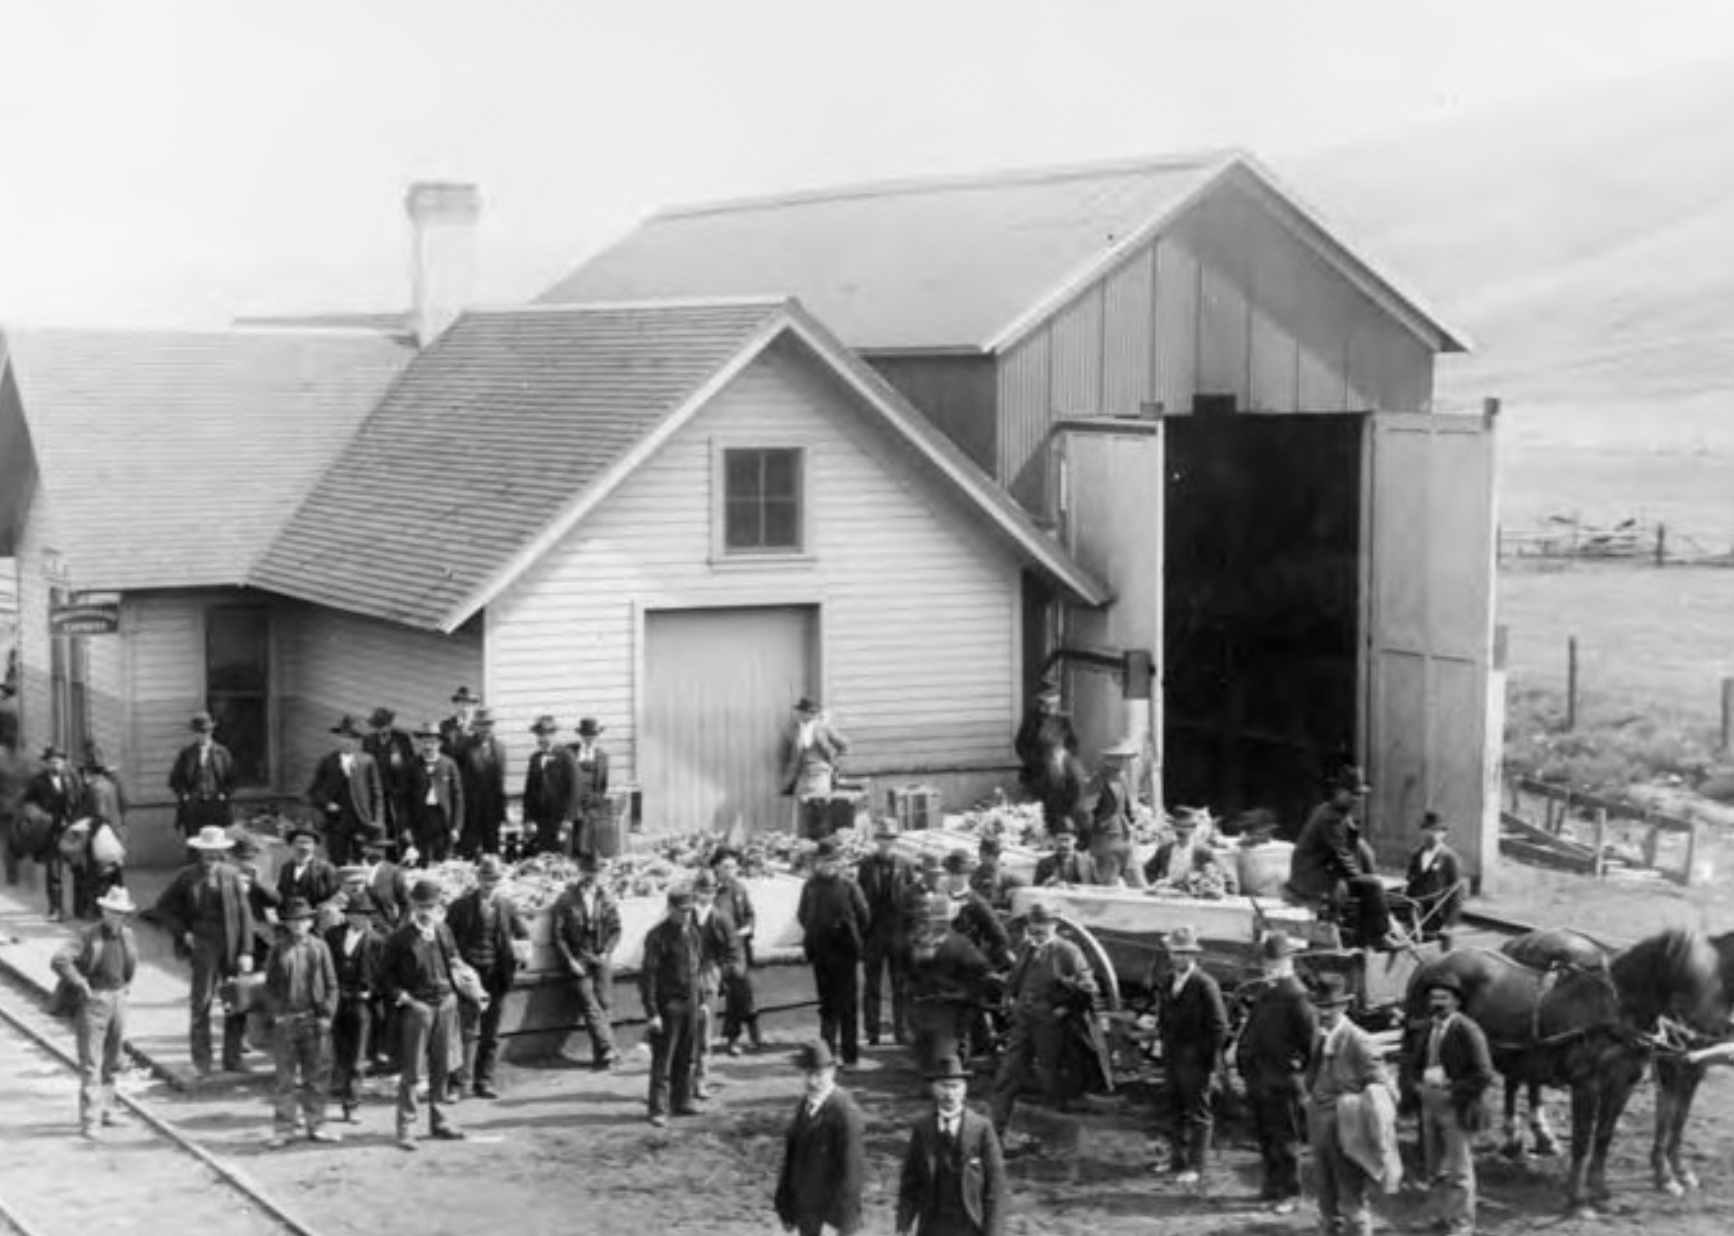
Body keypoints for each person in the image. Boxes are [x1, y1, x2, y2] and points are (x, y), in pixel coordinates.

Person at [154, 825, 254, 1076]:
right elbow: (162, 908)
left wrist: (246, 951)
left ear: (222, 852)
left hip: (230, 942)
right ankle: (202, 1061)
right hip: (202, 942)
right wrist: (183, 932)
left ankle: (233, 1058)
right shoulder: (186, 876)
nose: (210, 856)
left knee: (235, 999)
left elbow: (245, 915)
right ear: (199, 852)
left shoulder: (232, 875)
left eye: (215, 851)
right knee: (201, 1002)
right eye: (206, 851)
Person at [989, 902, 1096, 1135]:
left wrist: (1064, 1010)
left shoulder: (1068, 951)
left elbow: (1088, 988)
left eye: (1042, 927)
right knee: (1007, 1075)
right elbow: (1015, 977)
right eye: (1033, 927)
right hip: (1023, 1023)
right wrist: (1009, 997)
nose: (1036, 932)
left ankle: (1052, 1133)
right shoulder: (1026, 947)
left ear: (1054, 925)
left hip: (1050, 1027)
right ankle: (995, 1133)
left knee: (1050, 1077)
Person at [380, 877, 466, 1149]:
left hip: (445, 1004)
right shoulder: (399, 938)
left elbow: (454, 959)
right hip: (418, 1008)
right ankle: (406, 1126)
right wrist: (402, 996)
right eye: (421, 905)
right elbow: (384, 975)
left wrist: (458, 988)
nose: (426, 911)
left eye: (430, 905)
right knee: (413, 1071)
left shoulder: (444, 931)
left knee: (442, 1067)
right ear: (413, 905)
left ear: (438, 905)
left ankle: (440, 1120)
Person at [1234, 931, 1317, 1214]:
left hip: (1283, 1080)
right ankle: (1271, 1188)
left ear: (1289, 962)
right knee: (1266, 1137)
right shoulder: (1267, 992)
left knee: (1286, 1140)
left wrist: (1295, 1070)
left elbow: (1310, 1044)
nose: (1270, 967)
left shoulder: (1296, 997)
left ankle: (1290, 1194)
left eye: (1276, 962)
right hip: (1260, 1079)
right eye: (1267, 962)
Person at [51, 885, 140, 1140]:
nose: (116, 916)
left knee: (112, 1060)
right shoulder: (87, 935)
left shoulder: (128, 935)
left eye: (121, 912)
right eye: (112, 911)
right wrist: (80, 983)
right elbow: (59, 959)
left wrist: (125, 991)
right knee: (91, 1063)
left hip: (118, 999)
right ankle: (90, 1119)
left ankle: (108, 1110)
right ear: (103, 910)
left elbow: (130, 965)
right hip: (94, 1002)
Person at [1307, 973, 1392, 1236]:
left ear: (1344, 1006)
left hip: (1348, 1131)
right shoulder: (1320, 1036)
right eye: (1320, 1007)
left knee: (1351, 1198)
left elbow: (1381, 1087)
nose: (1324, 1013)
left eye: (1330, 1007)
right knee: (1324, 1195)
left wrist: (1353, 1110)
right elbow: (1312, 1076)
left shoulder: (1358, 1040)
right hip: (1319, 1126)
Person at [1289, 765, 1406, 950]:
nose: (1358, 799)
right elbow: (1342, 856)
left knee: (1367, 884)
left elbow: (1356, 848)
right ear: (1340, 792)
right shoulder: (1331, 818)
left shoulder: (1333, 812)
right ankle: (1378, 937)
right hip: (1311, 878)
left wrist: (1367, 873)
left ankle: (1365, 938)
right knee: (1373, 887)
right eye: (1354, 794)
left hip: (1318, 872)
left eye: (1360, 794)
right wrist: (1367, 879)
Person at [1411, 973, 1493, 1236]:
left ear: (1457, 1002)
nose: (1438, 1003)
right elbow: (1413, 1061)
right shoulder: (1427, 1027)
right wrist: (1417, 1086)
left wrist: (1453, 1093)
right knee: (1433, 1166)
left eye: (1444, 998)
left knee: (1459, 1171)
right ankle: (1439, 1215)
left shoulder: (1467, 1030)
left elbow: (1484, 1074)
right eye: (1434, 998)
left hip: (1456, 1106)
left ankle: (1461, 1224)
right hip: (1429, 1102)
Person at [446, 853, 529, 1099]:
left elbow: (523, 934)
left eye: (493, 878)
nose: (488, 883)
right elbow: (447, 939)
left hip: (496, 975)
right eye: (485, 877)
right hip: (469, 976)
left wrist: (521, 955)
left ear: (500, 879)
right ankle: (459, 1084)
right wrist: (457, 966)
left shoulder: (507, 906)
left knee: (491, 1032)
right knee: (466, 1031)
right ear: (477, 878)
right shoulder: (460, 906)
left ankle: (485, 1081)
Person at [897, 1053, 1008, 1236]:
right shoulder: (923, 1129)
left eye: (955, 1087)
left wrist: (993, 1231)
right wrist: (903, 1225)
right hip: (932, 1226)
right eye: (943, 1086)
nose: (949, 1093)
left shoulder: (981, 1128)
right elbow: (910, 1182)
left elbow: (995, 1186)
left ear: (964, 1089)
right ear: (934, 1089)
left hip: (970, 1225)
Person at [1151, 924, 1227, 1185]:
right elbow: (1163, 1014)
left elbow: (1219, 1026)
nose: (1180, 958)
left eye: (1185, 953)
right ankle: (1176, 1160)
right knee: (1174, 1108)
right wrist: (1161, 1040)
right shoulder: (1169, 980)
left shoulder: (1205, 984)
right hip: (1173, 1056)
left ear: (1194, 955)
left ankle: (1197, 1166)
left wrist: (1207, 1060)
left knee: (1198, 1113)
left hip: (1196, 1060)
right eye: (1175, 952)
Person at [263, 896, 340, 1148]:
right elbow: (270, 986)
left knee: (316, 1076)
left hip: (313, 1019)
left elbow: (331, 985)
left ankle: (316, 1124)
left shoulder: (320, 947)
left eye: (303, 920)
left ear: (310, 922)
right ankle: (284, 1128)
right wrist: (276, 1013)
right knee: (284, 1078)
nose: (298, 925)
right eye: (293, 921)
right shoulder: (278, 949)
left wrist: (327, 1015)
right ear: (286, 924)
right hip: (286, 1019)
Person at [775, 1039, 867, 1236]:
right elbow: (792, 1162)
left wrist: (836, 1223)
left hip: (831, 1222)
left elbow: (852, 1176)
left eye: (818, 1074)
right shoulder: (804, 1106)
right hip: (806, 1215)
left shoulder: (845, 1112)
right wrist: (786, 1208)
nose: (812, 1082)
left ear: (832, 1071)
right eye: (808, 1074)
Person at [797, 837, 870, 1067]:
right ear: (815, 863)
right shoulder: (810, 886)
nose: (826, 865)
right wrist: (816, 933)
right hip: (821, 953)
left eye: (831, 861)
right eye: (822, 861)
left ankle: (850, 1056)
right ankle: (827, 1055)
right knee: (827, 1006)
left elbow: (864, 917)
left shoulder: (849, 886)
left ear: (838, 863)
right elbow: (802, 916)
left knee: (848, 1006)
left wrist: (848, 935)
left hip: (845, 954)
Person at [906, 892, 995, 1076]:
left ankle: (949, 1085)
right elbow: (907, 969)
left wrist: (965, 994)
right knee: (923, 1050)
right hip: (921, 1005)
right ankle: (928, 1085)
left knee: (944, 1056)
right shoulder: (917, 941)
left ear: (950, 920)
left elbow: (982, 970)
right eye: (934, 919)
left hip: (948, 1008)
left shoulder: (961, 944)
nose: (938, 924)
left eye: (943, 920)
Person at [641, 885, 706, 1126]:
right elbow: (648, 976)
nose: (686, 915)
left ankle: (683, 1100)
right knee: (663, 1057)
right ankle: (657, 1107)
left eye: (689, 910)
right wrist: (652, 1012)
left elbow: (696, 969)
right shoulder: (657, 936)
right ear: (669, 909)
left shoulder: (694, 933)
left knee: (686, 1054)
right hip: (668, 1005)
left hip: (690, 1002)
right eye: (681, 910)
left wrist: (701, 1001)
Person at [551, 852, 621, 1069]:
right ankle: (610, 1047)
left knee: (604, 1004)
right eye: (588, 871)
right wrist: (569, 960)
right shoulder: (566, 899)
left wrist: (607, 952)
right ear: (580, 871)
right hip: (578, 955)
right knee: (590, 1005)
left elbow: (617, 929)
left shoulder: (606, 897)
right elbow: (558, 935)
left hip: (599, 954)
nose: (592, 876)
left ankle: (601, 1057)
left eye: (596, 872)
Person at [326, 881, 385, 1121]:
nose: (360, 920)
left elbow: (385, 974)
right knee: (338, 1050)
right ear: (348, 916)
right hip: (336, 1000)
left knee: (358, 1056)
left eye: (365, 915)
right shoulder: (332, 936)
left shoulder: (378, 941)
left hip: (362, 1003)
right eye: (355, 915)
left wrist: (371, 992)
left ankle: (351, 1105)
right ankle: (337, 1092)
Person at [856, 820, 915, 1047]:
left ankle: (902, 1031)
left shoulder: (906, 864)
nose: (886, 843)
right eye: (882, 839)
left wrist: (909, 932)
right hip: (873, 934)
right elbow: (860, 900)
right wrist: (863, 932)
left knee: (900, 985)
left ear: (895, 841)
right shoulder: (866, 865)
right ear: (876, 841)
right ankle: (872, 1033)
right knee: (872, 986)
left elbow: (911, 900)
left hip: (898, 935)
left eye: (890, 839)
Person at [307, 715, 386, 865]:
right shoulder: (328, 761)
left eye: (351, 738)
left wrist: (377, 820)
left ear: (357, 741)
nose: (345, 741)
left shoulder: (367, 760)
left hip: (362, 820)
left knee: (363, 860)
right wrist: (326, 803)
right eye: (342, 737)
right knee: (337, 859)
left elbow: (377, 793)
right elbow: (313, 791)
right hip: (336, 821)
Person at [23, 744, 84, 921]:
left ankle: (80, 908)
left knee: (78, 870)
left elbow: (82, 800)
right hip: (51, 832)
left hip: (73, 831)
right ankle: (56, 909)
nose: (54, 765)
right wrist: (38, 816)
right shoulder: (38, 781)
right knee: (54, 873)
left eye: (57, 761)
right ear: (46, 764)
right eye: (51, 762)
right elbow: (28, 803)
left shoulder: (73, 778)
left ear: (64, 762)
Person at [711, 847, 763, 1054]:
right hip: (715, 950)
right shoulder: (710, 890)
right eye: (726, 867)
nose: (731, 870)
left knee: (740, 992)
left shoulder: (739, 889)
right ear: (716, 868)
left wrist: (746, 928)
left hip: (737, 949)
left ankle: (735, 1038)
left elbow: (750, 915)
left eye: (734, 866)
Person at [1013, 682, 1083, 836]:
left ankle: (1073, 820)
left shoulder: (1064, 720)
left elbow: (1073, 743)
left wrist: (1066, 756)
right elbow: (1021, 745)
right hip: (1041, 766)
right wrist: (1037, 760)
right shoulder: (1032, 722)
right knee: (1051, 789)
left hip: (1064, 761)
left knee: (1076, 784)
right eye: (1047, 703)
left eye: (1054, 703)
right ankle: (1055, 826)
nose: (1051, 707)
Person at [691, 867, 735, 1097]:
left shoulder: (720, 918)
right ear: (694, 891)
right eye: (701, 890)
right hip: (685, 977)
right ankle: (681, 1080)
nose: (705, 895)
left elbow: (732, 951)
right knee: (685, 1029)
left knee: (705, 1031)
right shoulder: (686, 915)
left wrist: (720, 973)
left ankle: (700, 1079)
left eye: (709, 891)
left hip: (709, 974)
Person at [783, 698, 849, 840]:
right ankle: (801, 841)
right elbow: (791, 756)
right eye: (801, 712)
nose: (802, 715)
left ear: (812, 714)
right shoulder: (794, 730)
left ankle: (822, 841)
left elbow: (843, 744)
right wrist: (790, 777)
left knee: (820, 807)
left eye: (806, 713)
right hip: (803, 773)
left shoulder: (823, 727)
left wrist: (835, 762)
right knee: (800, 809)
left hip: (820, 772)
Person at [168, 712, 235, 842]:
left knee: (217, 843)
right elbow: (175, 780)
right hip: (193, 806)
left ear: (211, 732)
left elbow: (233, 779)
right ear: (194, 733)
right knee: (194, 842)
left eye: (206, 732)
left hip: (217, 806)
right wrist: (185, 795)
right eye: (199, 732)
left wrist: (224, 794)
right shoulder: (186, 754)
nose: (203, 735)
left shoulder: (222, 752)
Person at [77, 743, 129, 909]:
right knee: (116, 876)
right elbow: (125, 803)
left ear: (88, 773)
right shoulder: (111, 783)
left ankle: (99, 912)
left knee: (99, 877)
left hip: (102, 838)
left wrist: (88, 833)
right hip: (117, 834)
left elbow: (99, 815)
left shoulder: (95, 788)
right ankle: (120, 907)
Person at [1405, 812, 1466, 948]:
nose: (1431, 834)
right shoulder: (1416, 855)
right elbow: (1409, 885)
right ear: (1421, 832)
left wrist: (1449, 924)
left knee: (1441, 963)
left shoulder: (1450, 858)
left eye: (1436, 831)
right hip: (1418, 916)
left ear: (1443, 834)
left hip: (1439, 917)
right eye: (1427, 830)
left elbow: (1457, 893)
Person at [407, 721, 464, 864]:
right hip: (420, 819)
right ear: (420, 743)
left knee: (443, 860)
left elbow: (458, 797)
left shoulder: (449, 764)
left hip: (442, 819)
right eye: (425, 742)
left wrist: (456, 827)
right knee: (421, 860)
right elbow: (403, 799)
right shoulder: (411, 765)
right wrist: (404, 827)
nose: (428, 746)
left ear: (440, 743)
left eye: (432, 742)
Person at [1144, 807, 1236, 894]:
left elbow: (1228, 878)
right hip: (1168, 897)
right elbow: (1149, 869)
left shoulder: (1203, 851)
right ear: (1174, 826)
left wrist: (1223, 893)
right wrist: (1157, 885)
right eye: (1179, 825)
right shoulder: (1165, 849)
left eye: (1187, 826)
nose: (1183, 830)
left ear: (1194, 828)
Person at [1085, 741, 1140, 885]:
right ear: (1109, 759)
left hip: (1122, 829)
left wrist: (1132, 819)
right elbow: (1088, 806)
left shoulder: (1122, 777)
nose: (1123, 762)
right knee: (1108, 868)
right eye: (1119, 758)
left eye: (1124, 758)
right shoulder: (1098, 779)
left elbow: (1126, 802)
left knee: (1128, 866)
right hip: (1105, 832)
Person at [455, 707, 507, 859]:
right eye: (482, 724)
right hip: (471, 809)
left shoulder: (500, 747)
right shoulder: (464, 747)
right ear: (475, 726)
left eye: (489, 724)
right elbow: (457, 780)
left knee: (492, 852)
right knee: (469, 853)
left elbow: (500, 780)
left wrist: (502, 808)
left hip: (493, 809)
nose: (486, 728)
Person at [523, 715, 578, 856]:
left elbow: (574, 789)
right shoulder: (534, 758)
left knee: (561, 862)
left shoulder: (566, 756)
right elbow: (529, 792)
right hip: (541, 822)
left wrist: (568, 819)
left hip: (560, 820)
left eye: (547, 734)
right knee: (542, 860)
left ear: (554, 735)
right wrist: (528, 819)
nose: (543, 739)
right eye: (540, 735)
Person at [363, 707, 416, 844]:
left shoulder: (402, 739)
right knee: (383, 822)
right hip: (378, 790)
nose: (382, 729)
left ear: (390, 724)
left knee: (401, 822)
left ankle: (404, 851)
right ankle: (389, 854)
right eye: (378, 726)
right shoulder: (368, 740)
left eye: (384, 725)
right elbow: (366, 764)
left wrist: (404, 786)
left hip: (399, 789)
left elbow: (411, 764)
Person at [568, 717, 614, 858]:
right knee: (571, 847)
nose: (589, 739)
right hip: (571, 806)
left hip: (591, 808)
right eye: (586, 735)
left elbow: (602, 786)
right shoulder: (569, 752)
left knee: (589, 847)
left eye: (593, 736)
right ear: (581, 736)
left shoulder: (602, 756)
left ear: (597, 736)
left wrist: (595, 801)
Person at [275, 823, 341, 911]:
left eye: (307, 842)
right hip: (292, 915)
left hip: (318, 914)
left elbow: (335, 893)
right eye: (299, 842)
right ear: (292, 845)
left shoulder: (326, 868)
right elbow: (281, 892)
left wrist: (326, 907)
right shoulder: (286, 867)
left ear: (314, 846)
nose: (303, 846)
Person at [968, 836, 1023, 912]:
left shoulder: (1004, 874)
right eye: (981, 853)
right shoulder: (979, 871)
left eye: (984, 854)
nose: (981, 856)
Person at [439, 685, 481, 755]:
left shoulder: (480, 728)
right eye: (461, 703)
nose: (464, 708)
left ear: (474, 707)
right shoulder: (445, 727)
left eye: (468, 704)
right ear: (455, 705)